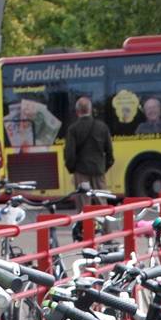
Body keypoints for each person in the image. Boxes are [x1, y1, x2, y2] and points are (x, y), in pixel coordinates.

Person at [63, 96, 114, 226]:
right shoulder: (102, 127)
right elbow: (110, 153)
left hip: (81, 172)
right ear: (91, 110)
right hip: (98, 171)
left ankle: (86, 234)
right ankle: (107, 236)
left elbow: (70, 154)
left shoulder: (73, 129)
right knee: (102, 204)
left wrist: (72, 169)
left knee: (83, 207)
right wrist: (103, 168)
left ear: (77, 111)